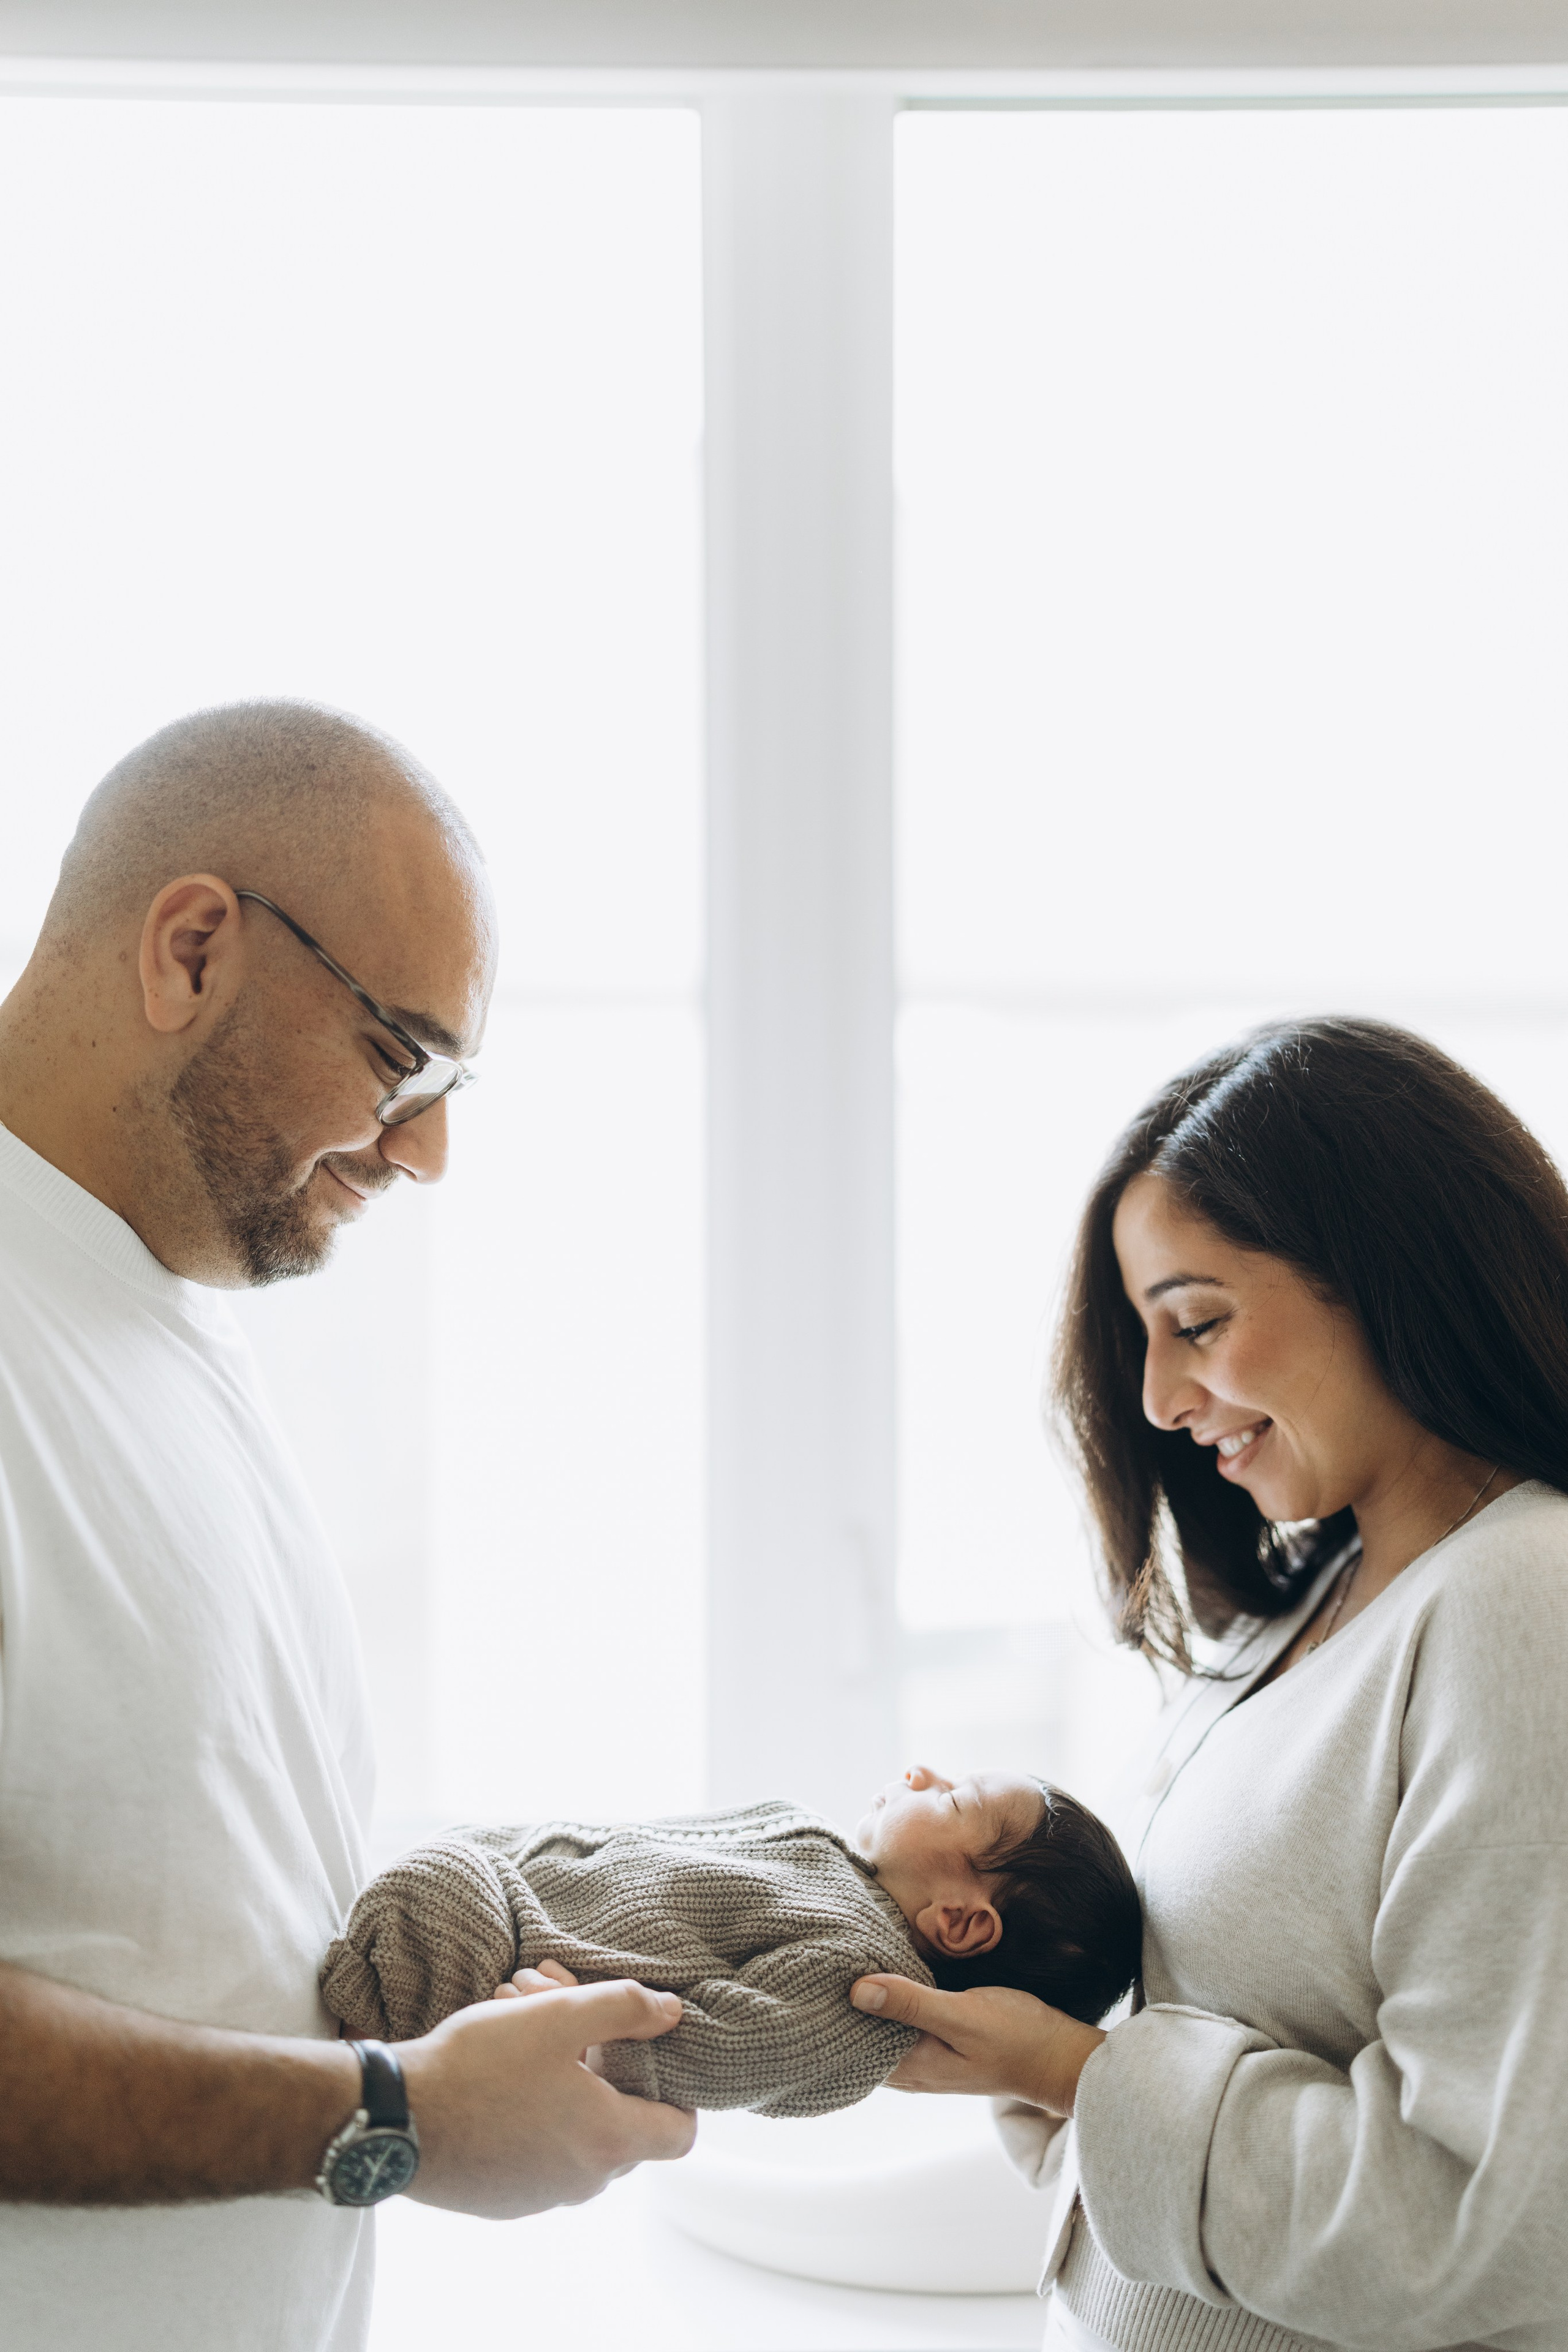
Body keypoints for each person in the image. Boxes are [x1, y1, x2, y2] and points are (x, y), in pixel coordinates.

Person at [0, 703, 695, 2352]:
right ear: (189, 951)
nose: (433, 1152)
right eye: (400, 1058)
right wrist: (400, 2112)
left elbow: (174, 1907)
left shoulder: (168, 1318)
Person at [850, 1017, 1568, 2351]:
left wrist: (1073, 2071)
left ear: (1389, 1273)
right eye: (1141, 1336)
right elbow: (1183, 2055)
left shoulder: (1526, 1601)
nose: (1159, 1398)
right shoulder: (1308, 1602)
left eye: (1195, 1322)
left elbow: (1490, 2226)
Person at [319, 1766, 1141, 2113]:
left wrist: (589, 2043)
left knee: (408, 1922)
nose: (923, 1772)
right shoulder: (827, 1854)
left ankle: (348, 2049)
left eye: (956, 1798)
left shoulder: (859, 1990)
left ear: (960, 1921)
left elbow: (729, 2050)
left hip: (494, 1946)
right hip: (511, 1882)